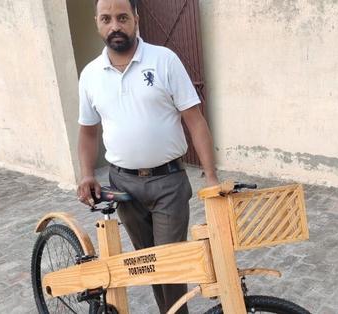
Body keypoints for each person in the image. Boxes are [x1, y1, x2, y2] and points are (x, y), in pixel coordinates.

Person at [76, 0, 218, 313]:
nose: (115, 26)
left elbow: (195, 120)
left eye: (122, 17)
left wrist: (211, 178)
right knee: (149, 265)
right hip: (124, 186)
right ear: (97, 22)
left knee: (170, 266)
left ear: (136, 19)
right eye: (107, 19)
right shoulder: (90, 75)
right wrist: (86, 173)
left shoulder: (164, 60)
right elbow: (88, 131)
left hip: (168, 182)